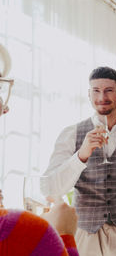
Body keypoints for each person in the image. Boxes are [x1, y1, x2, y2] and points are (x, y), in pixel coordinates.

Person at [43, 66, 116, 256]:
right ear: (88, 95)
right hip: (84, 234)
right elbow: (50, 188)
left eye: (108, 90)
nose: (101, 97)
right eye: (96, 91)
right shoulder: (71, 134)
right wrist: (81, 155)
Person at [0, 76, 79, 255]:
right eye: (1, 88)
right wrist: (65, 233)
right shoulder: (24, 231)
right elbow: (48, 185)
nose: (6, 109)